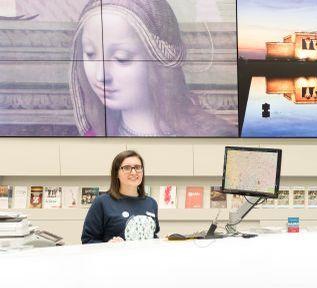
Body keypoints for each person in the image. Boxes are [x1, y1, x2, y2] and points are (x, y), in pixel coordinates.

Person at [69, 0, 235, 137]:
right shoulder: (93, 139)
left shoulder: (214, 137)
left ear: (159, 62)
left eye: (121, 58)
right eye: (90, 54)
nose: (101, 75)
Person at [82, 150, 159, 243]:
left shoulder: (151, 203)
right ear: (116, 173)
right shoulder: (102, 202)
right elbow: (88, 240)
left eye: (138, 167)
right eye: (127, 168)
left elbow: (153, 236)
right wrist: (108, 245)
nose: (134, 172)